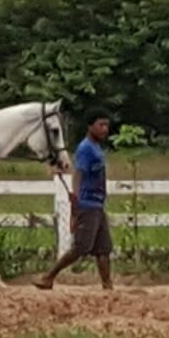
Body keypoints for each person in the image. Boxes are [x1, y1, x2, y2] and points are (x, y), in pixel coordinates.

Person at [33, 107, 113, 290]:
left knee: (103, 248)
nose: (105, 129)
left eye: (106, 125)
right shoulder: (86, 148)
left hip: (97, 203)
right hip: (88, 203)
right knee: (81, 247)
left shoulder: (96, 147)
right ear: (90, 126)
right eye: (101, 125)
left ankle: (107, 285)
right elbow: (78, 174)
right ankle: (48, 276)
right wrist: (75, 200)